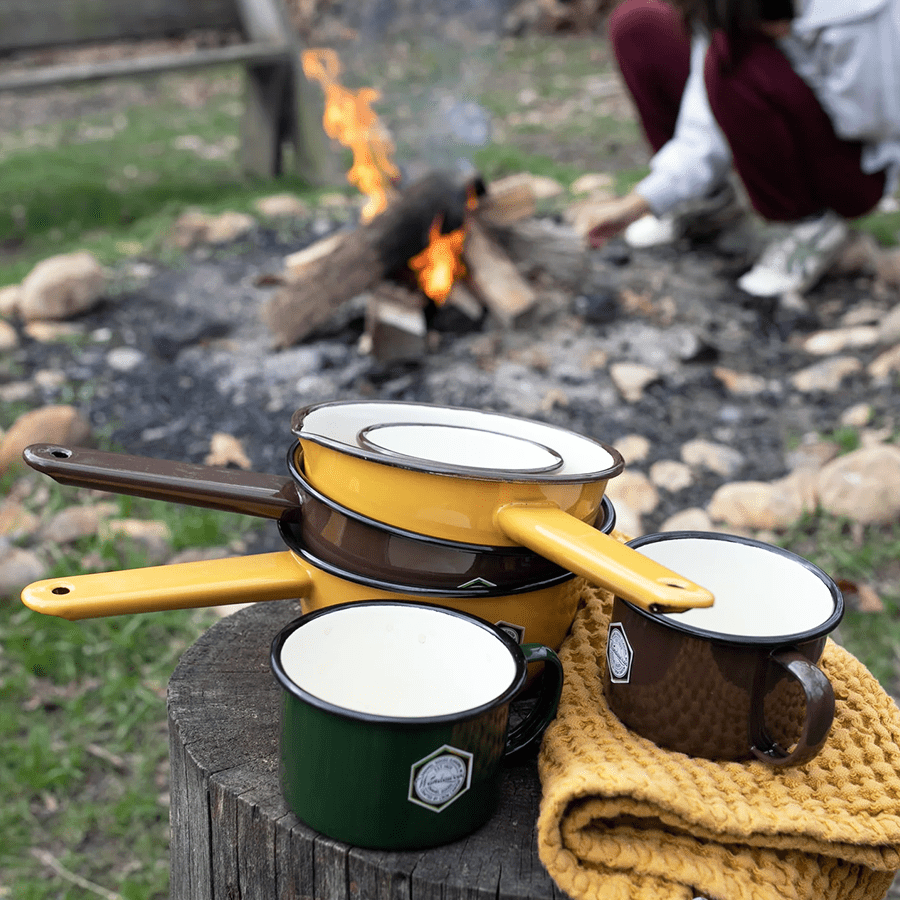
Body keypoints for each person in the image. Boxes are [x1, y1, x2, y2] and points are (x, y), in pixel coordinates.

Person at [586, 0, 900, 297]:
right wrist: (641, 202)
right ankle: (708, 203)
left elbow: (879, 123)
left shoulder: (861, 12)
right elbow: (703, 119)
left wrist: (792, 54)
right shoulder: (734, 14)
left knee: (743, 64)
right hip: (794, 107)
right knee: (641, 25)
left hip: (864, 165)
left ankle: (808, 224)